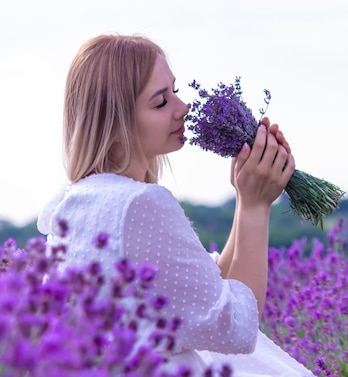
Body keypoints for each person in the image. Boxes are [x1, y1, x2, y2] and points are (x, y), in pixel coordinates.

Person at [37, 34, 315, 376]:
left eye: (175, 90)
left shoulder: (77, 201)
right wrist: (258, 206)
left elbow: (204, 291)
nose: (183, 108)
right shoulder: (139, 203)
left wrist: (245, 197)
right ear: (117, 124)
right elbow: (237, 327)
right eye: (160, 102)